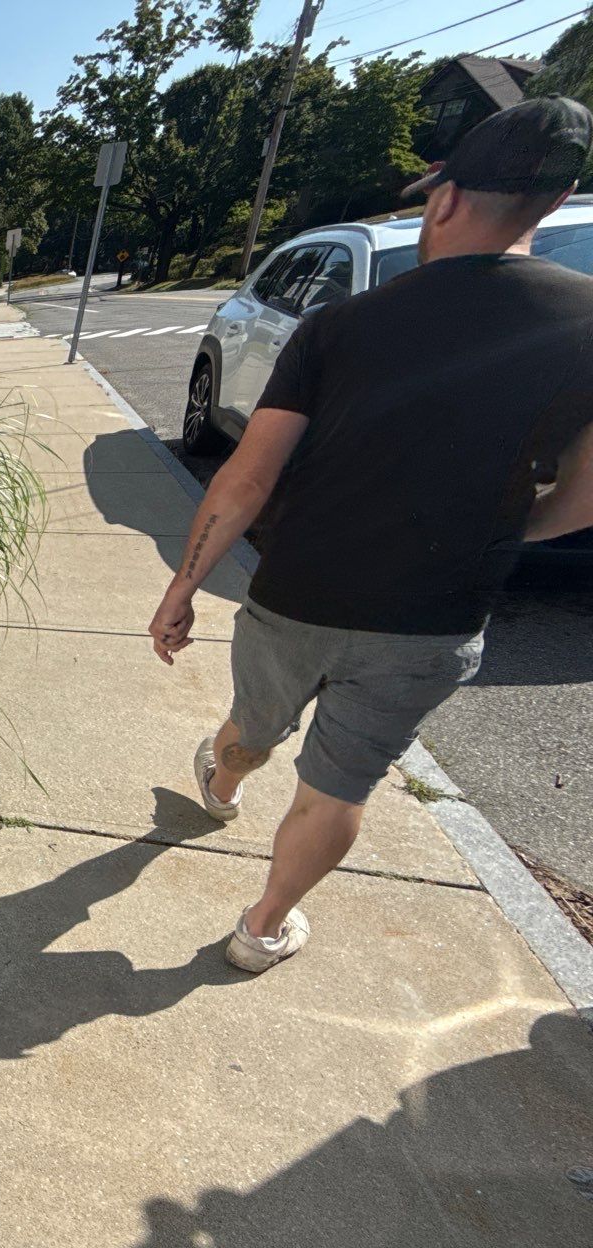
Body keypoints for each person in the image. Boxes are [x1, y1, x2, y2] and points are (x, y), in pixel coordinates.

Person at [148, 96, 593, 974]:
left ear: (447, 199)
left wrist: (180, 589)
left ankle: (226, 779)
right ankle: (262, 927)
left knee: (255, 722)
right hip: (430, 618)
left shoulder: (340, 326)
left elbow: (246, 477)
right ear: (555, 200)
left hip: (296, 594)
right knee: (338, 786)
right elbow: (583, 497)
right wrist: (507, 528)